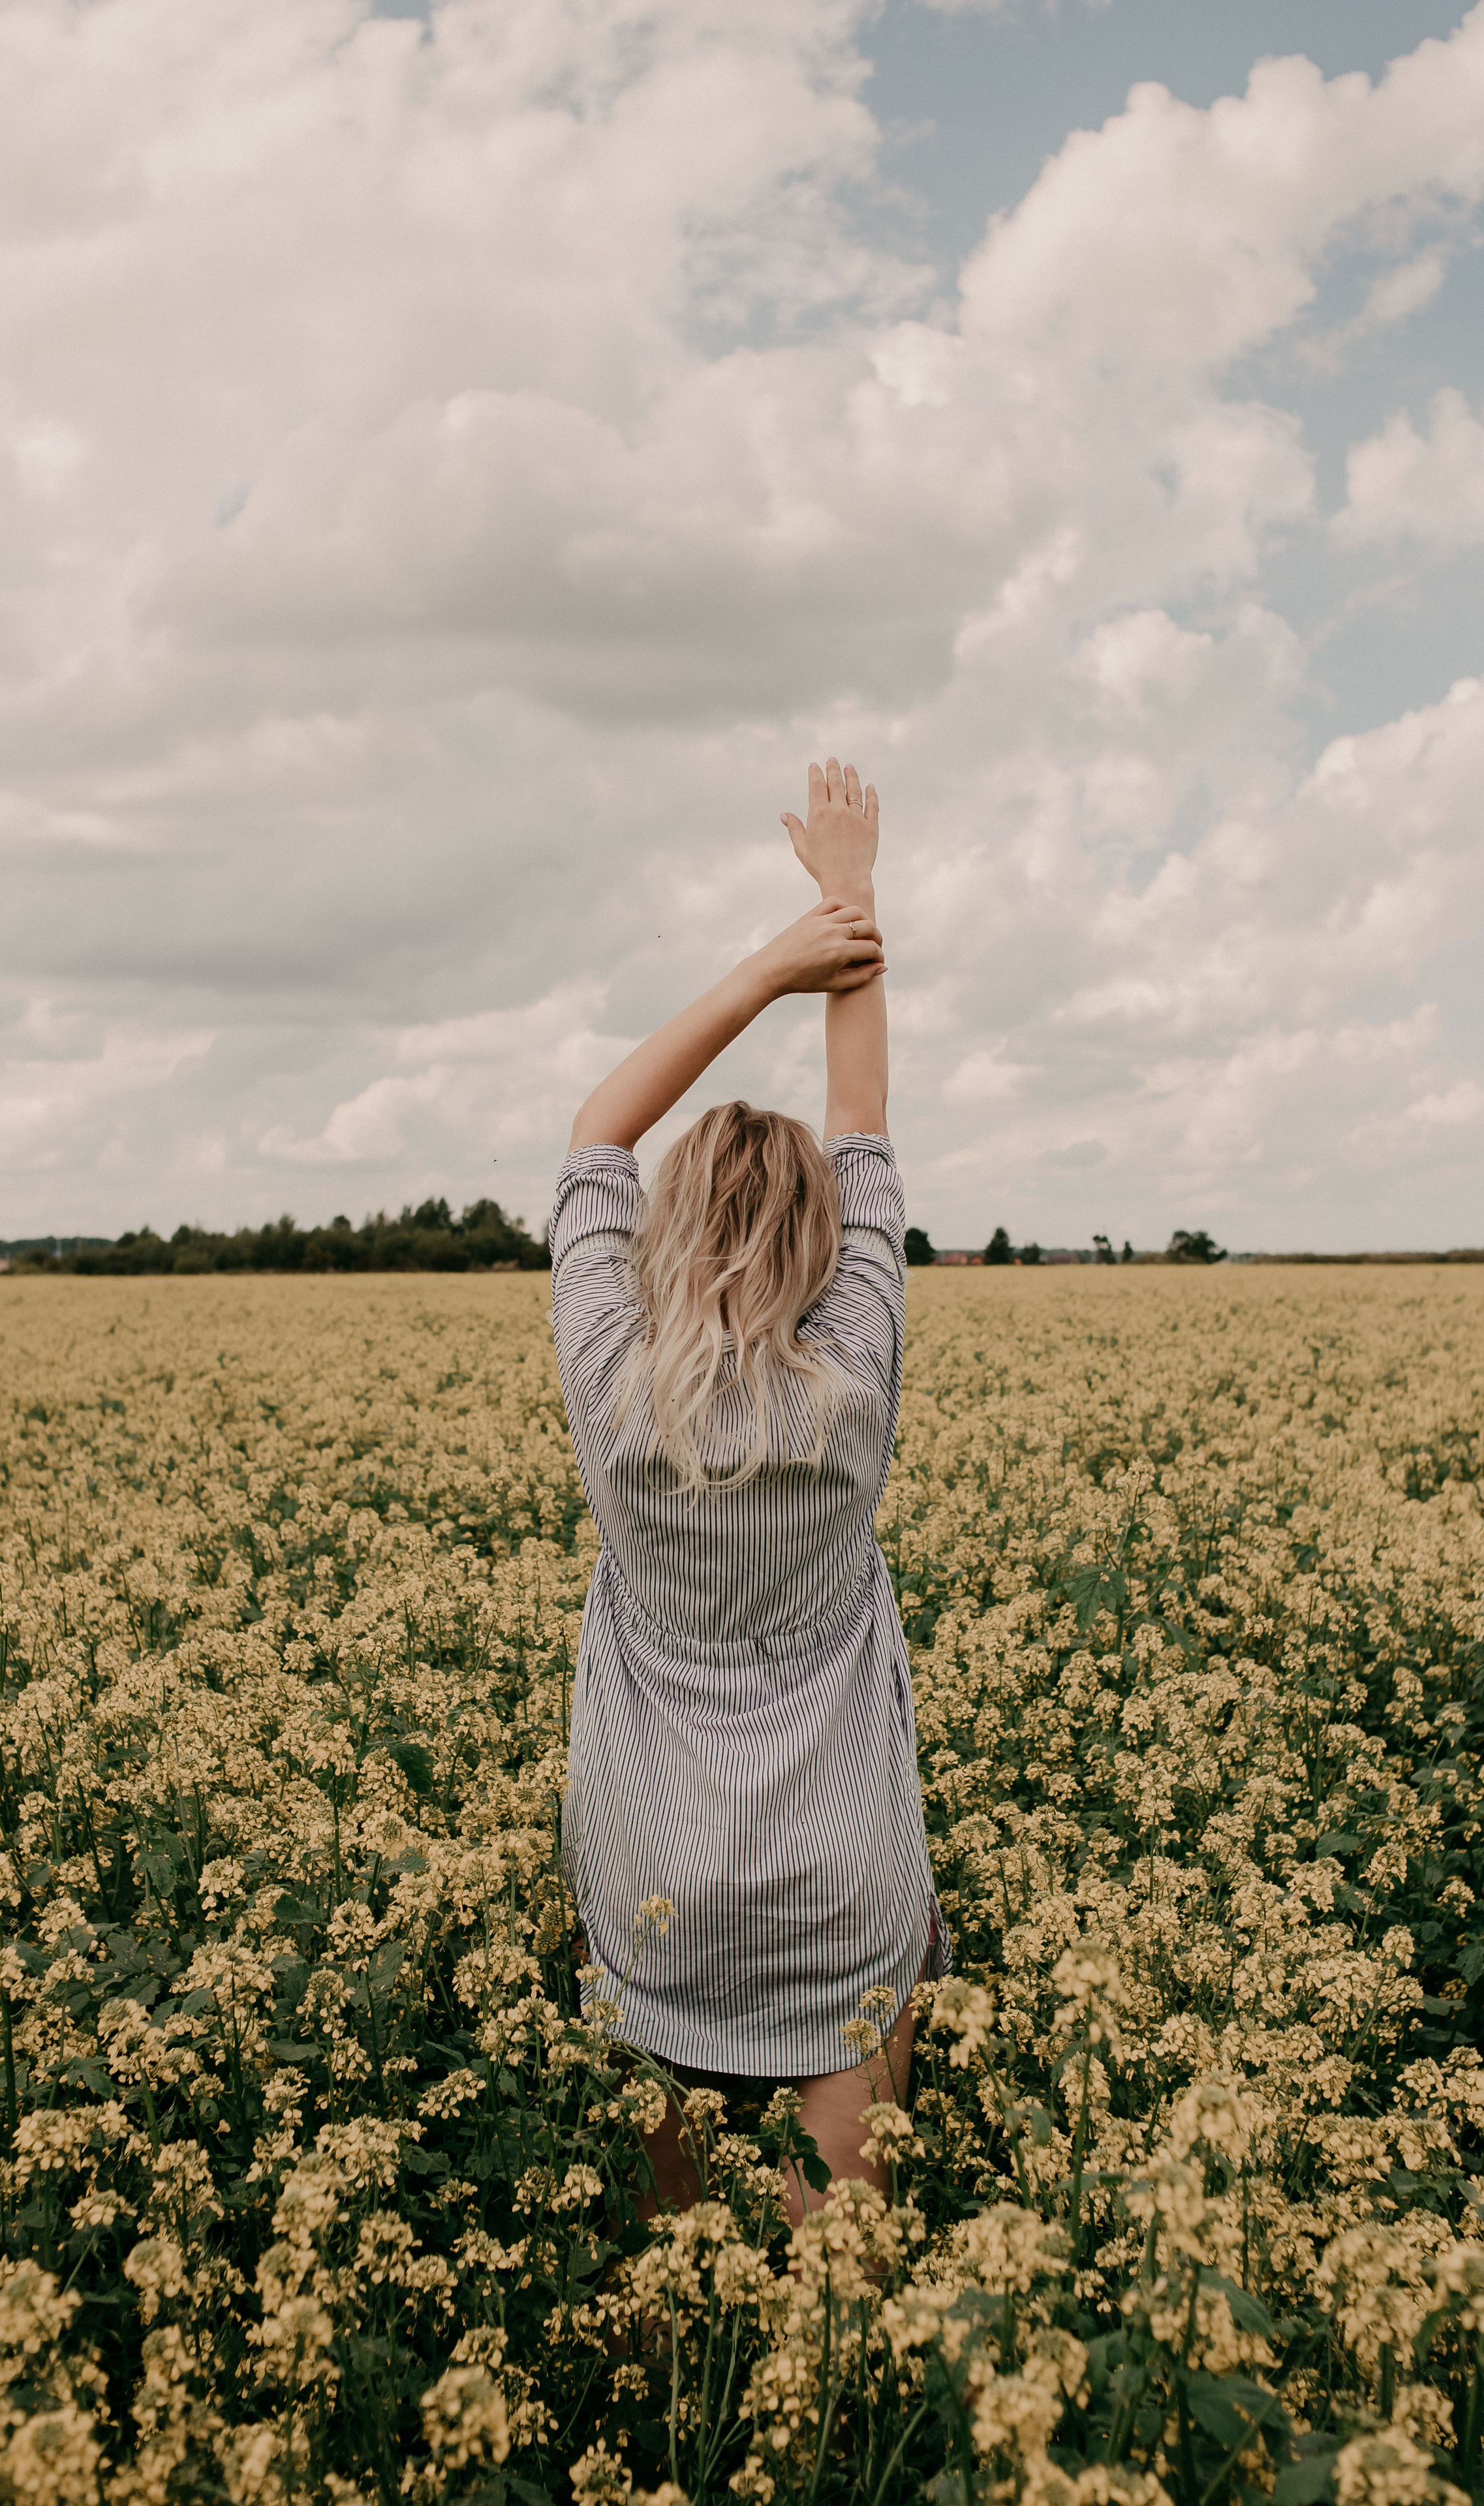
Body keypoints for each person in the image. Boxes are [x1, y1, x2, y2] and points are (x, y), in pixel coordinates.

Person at [548, 758, 946, 2223]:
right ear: (828, 1249)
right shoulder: (855, 1378)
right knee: (849, 2262)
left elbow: (598, 1131)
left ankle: (678, 2355)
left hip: (651, 1877)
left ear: (660, 1240)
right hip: (839, 1881)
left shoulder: (611, 1386)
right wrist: (850, 899)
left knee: (672, 2261)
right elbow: (864, 1121)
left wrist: (770, 964)